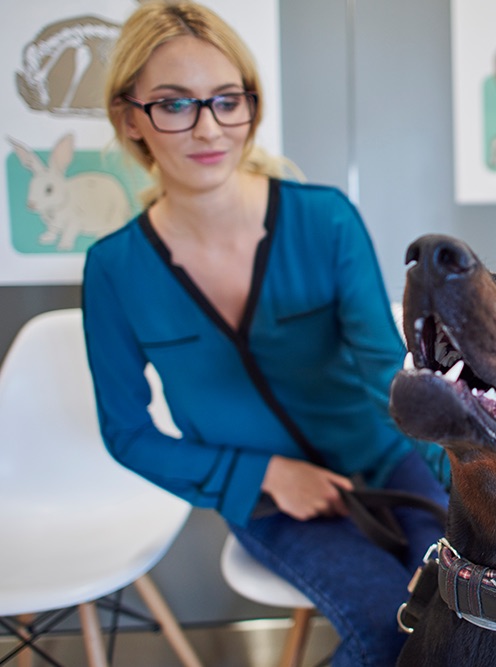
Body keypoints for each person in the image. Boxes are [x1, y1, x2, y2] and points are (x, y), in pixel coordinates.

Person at [83, 3, 448, 665]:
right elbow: (126, 432)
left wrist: (492, 462)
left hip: (389, 459)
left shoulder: (326, 220)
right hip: (268, 499)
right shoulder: (113, 269)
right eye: (174, 105)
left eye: (228, 100)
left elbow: (385, 373)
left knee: (460, 605)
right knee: (389, 624)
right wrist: (264, 475)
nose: (208, 127)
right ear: (129, 117)